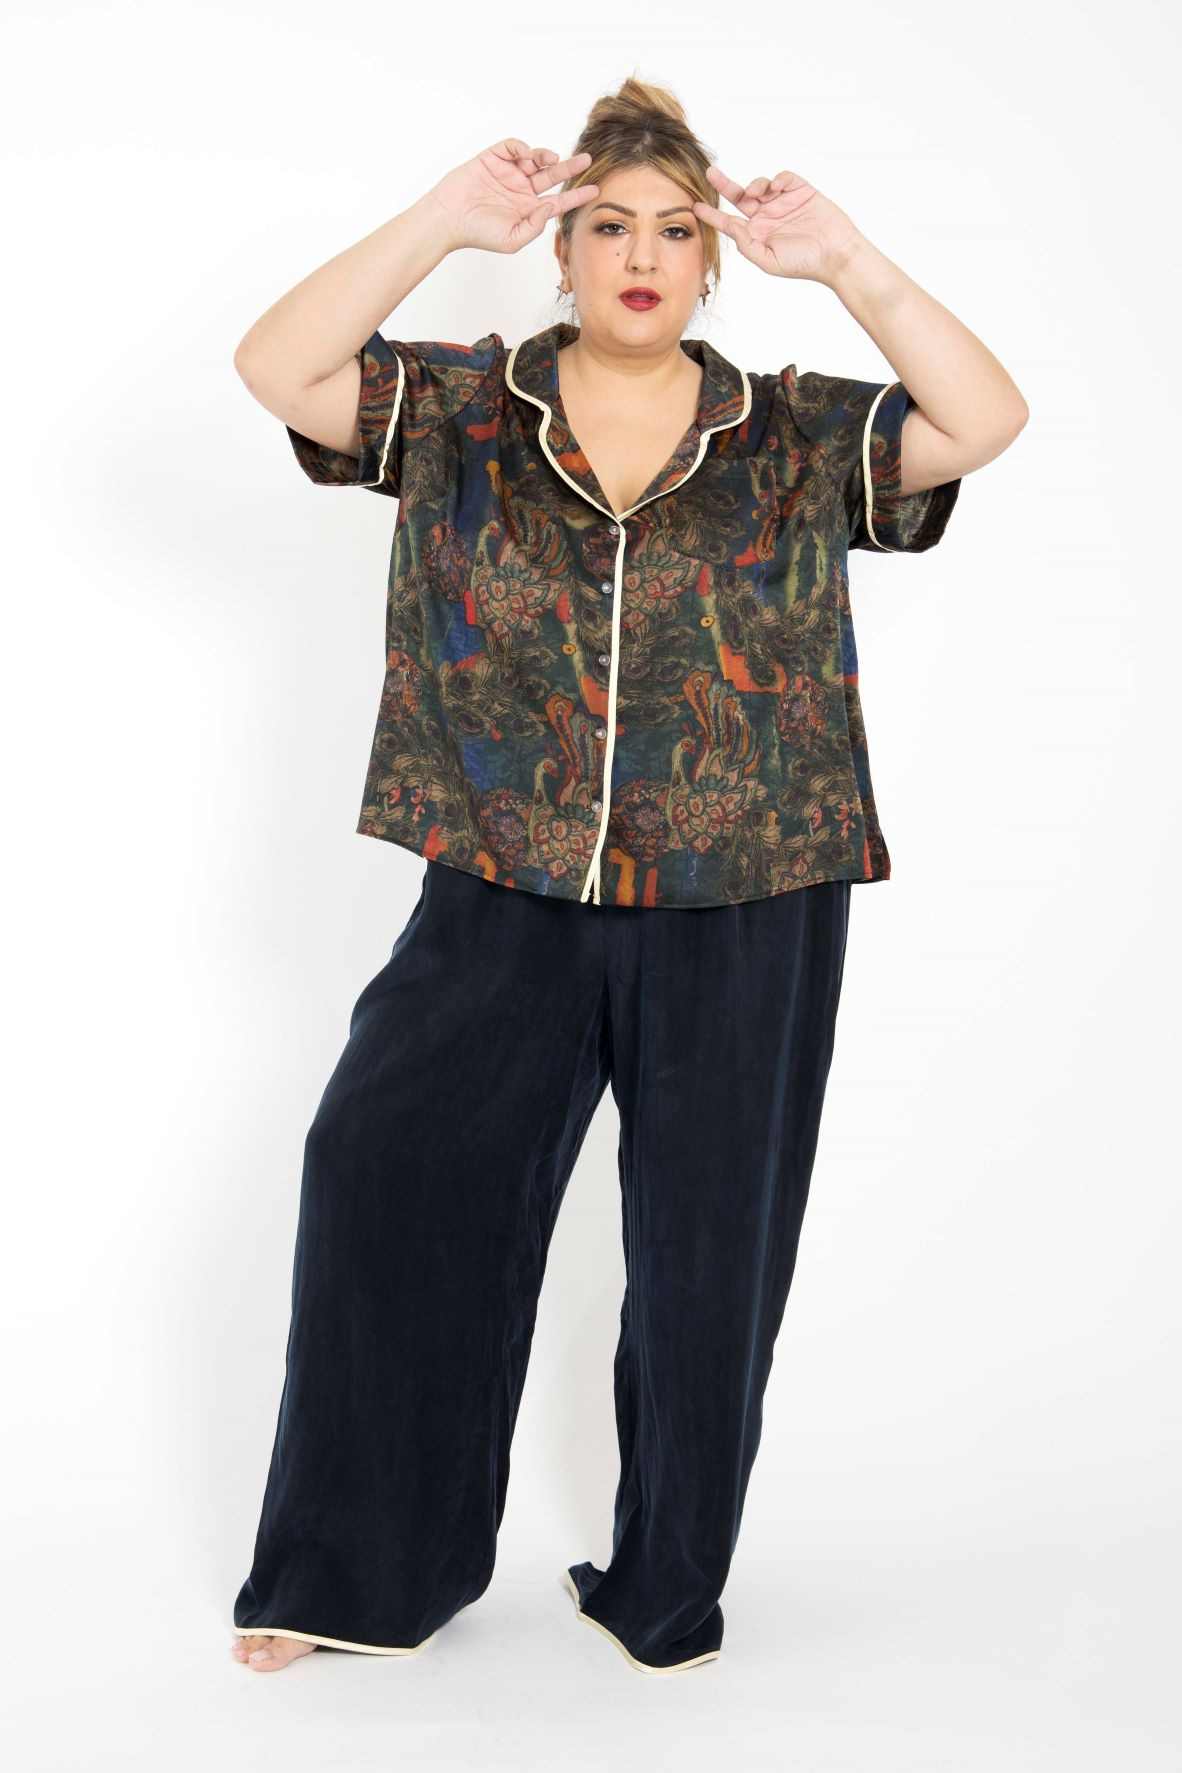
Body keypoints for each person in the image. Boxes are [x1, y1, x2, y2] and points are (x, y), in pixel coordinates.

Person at [228, 76, 1028, 1675]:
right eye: (608, 227)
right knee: (387, 1180)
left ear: (712, 259)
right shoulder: (458, 409)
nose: (641, 255)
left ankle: (664, 1588)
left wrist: (848, 260)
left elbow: (982, 419)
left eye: (672, 228)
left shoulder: (794, 430)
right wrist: (443, 217)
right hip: (504, 876)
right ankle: (356, 1578)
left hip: (749, 885)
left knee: (704, 1251)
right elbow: (278, 368)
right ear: (564, 250)